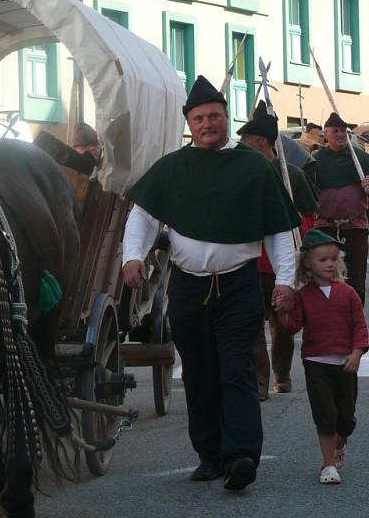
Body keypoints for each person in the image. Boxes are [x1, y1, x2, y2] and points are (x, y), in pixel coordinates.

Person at [122, 75, 299, 491]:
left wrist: (286, 280)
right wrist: (133, 256)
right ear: (190, 123)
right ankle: (209, 455)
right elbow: (142, 217)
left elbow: (278, 231)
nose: (207, 124)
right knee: (199, 372)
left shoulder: (254, 166)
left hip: (238, 285)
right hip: (188, 286)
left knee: (236, 367)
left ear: (226, 118)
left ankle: (240, 456)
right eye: (199, 118)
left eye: (215, 116)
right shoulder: (172, 167)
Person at [238, 101, 318, 399]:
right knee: (250, 324)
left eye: (246, 141)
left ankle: (281, 375)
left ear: (260, 142)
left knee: (282, 324)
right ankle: (259, 379)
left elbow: (309, 217)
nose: (242, 146)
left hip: (281, 264)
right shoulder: (242, 172)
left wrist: (302, 258)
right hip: (248, 261)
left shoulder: (293, 175)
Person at [278, 229, 368, 484]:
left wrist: (356, 352)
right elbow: (294, 326)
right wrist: (283, 315)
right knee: (324, 413)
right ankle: (328, 465)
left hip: (345, 363)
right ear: (307, 263)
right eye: (322, 260)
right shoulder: (303, 296)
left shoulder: (348, 293)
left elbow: (360, 327)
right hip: (315, 362)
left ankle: (341, 441)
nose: (329, 264)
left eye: (332, 259)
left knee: (346, 418)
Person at [309, 112, 369, 304]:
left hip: (355, 227)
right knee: (326, 279)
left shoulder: (362, 158)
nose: (341, 134)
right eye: (336, 131)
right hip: (325, 228)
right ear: (326, 134)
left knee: (356, 279)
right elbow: (307, 190)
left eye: (344, 130)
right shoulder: (316, 160)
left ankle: (356, 323)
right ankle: (329, 321)